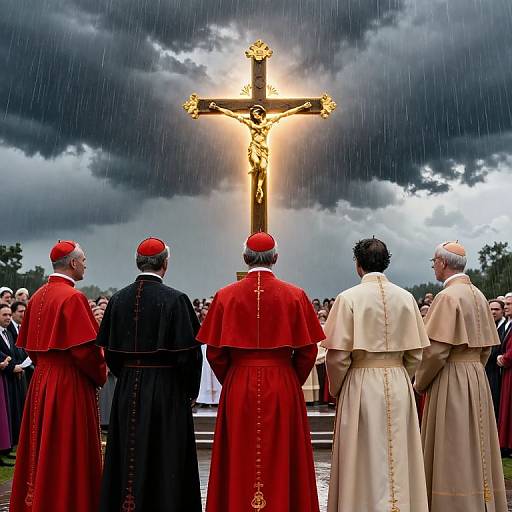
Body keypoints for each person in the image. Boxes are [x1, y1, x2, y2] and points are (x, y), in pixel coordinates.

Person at [198, 232, 324, 512]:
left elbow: (215, 353)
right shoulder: (296, 295)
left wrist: (232, 379)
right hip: (282, 383)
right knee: (282, 458)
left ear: (245, 258)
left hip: (239, 384)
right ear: (276, 258)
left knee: (240, 457)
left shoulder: (224, 296)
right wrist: (290, 379)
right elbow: (308, 351)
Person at [321, 238, 430, 512]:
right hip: (398, 380)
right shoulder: (406, 298)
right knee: (399, 453)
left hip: (359, 381)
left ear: (358, 266)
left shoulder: (348, 299)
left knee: (362, 454)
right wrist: (400, 374)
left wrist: (338, 388)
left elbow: (336, 357)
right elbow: (416, 354)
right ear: (386, 263)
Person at [97, 237, 203, 512]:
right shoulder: (176, 299)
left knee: (127, 453)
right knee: (165, 454)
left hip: (129, 384)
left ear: (138, 262)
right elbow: (188, 355)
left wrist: (129, 375)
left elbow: (111, 353)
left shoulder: (118, 299)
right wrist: (189, 390)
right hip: (167, 388)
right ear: (165, 264)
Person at [10, 240, 107, 512]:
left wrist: (46, 367)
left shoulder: (37, 296)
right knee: (65, 448)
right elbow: (85, 351)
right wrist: (100, 372)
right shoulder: (73, 298)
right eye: (84, 259)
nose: (86, 264)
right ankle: (66, 501)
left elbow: (29, 345)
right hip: (67, 382)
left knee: (40, 448)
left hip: (41, 380)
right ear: (73, 263)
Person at [415, 241, 506, 512]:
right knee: (478, 444)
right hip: (476, 375)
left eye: (434, 262)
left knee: (453, 445)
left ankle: (455, 503)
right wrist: (474, 369)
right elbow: (487, 347)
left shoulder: (447, 297)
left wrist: (420, 382)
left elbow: (436, 351)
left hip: (452, 376)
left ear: (443, 264)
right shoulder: (479, 294)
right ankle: (482, 500)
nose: (433, 267)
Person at [0, 303, 28, 451]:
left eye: (9, 315)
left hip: (13, 376)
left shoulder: (9, 333)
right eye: (4, 315)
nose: (8, 318)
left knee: (11, 411)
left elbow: (14, 354)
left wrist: (19, 365)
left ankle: (9, 443)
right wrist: (12, 367)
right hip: (4, 376)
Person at [487, 300, 507, 420]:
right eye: (491, 309)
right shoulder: (487, 327)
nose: (493, 312)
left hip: (498, 373)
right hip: (488, 371)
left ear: (503, 311)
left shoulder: (505, 328)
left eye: (496, 309)